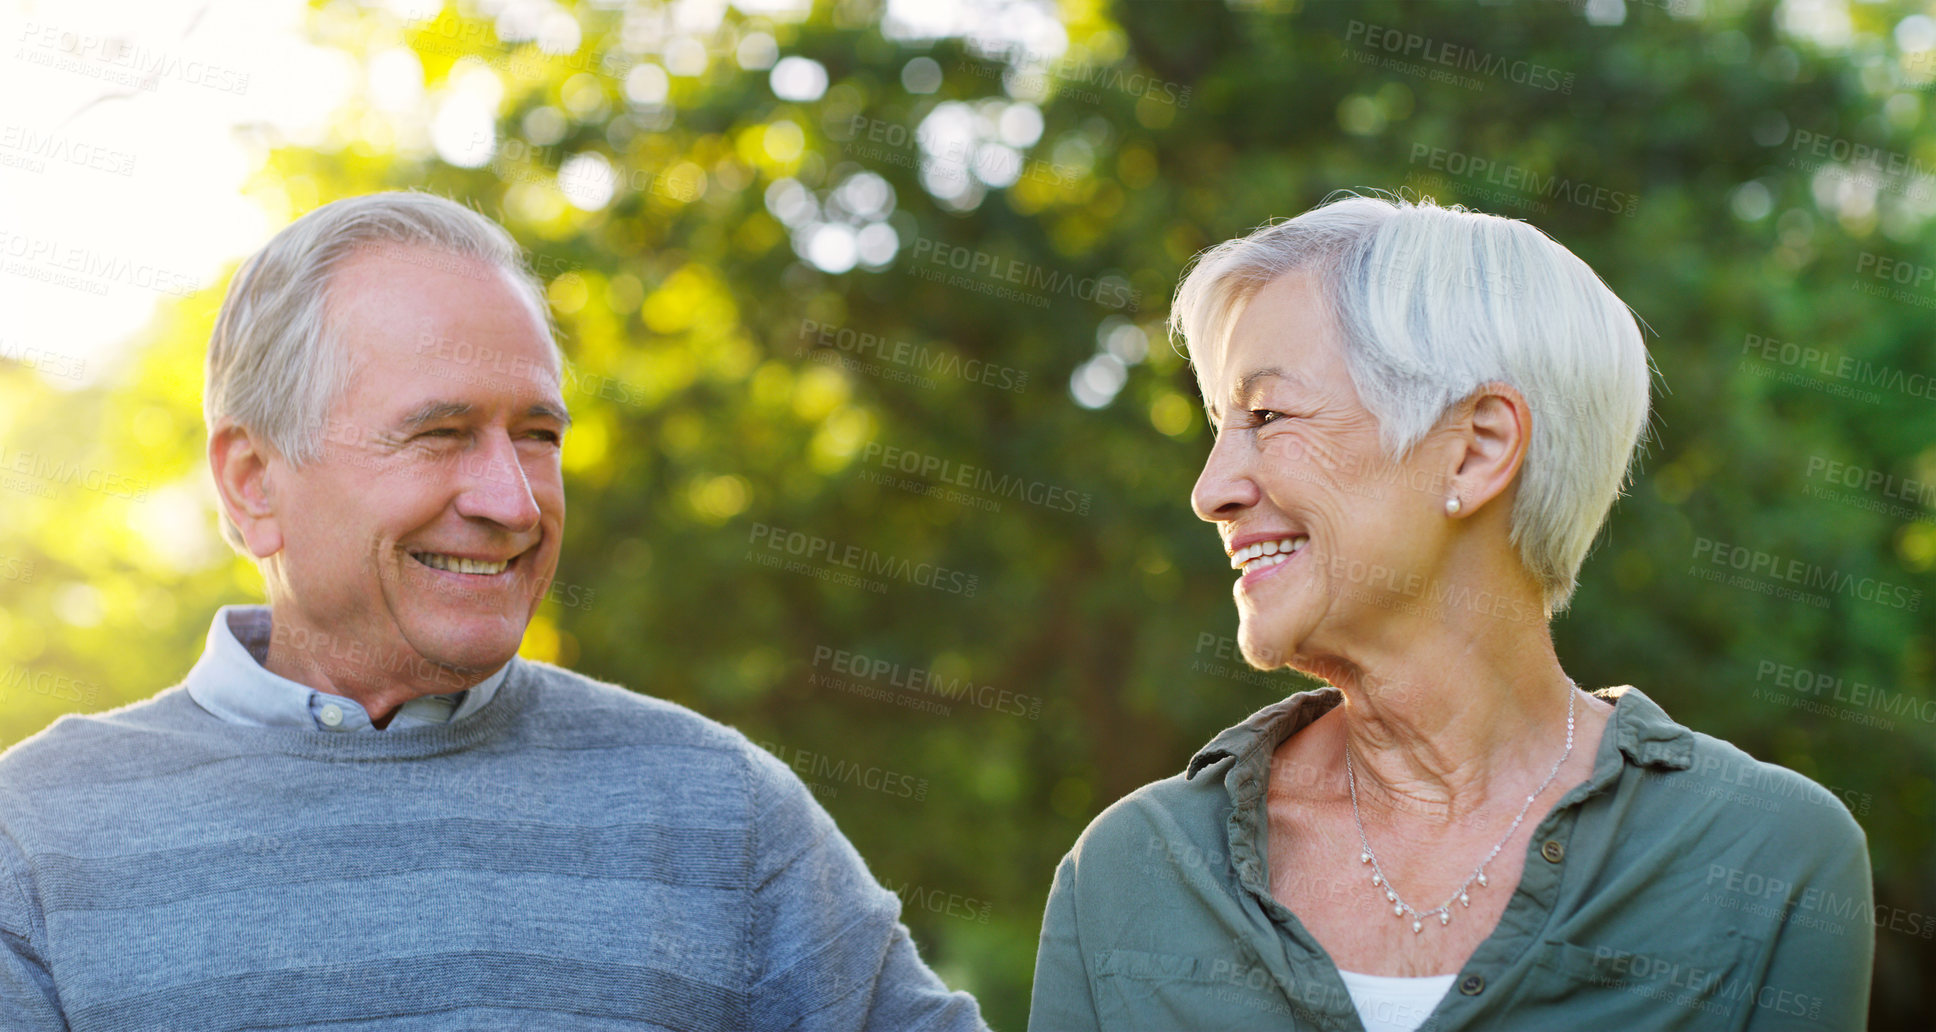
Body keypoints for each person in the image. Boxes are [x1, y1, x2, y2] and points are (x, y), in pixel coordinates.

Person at [0, 191, 987, 1032]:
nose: (513, 502)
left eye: (537, 436)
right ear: (254, 481)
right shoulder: (32, 842)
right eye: (439, 434)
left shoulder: (719, 811)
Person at [1027, 194, 1873, 1031]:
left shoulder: (1770, 859)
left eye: (1269, 415)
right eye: (1220, 425)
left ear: (1478, 449)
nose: (1211, 491)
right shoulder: (1127, 875)